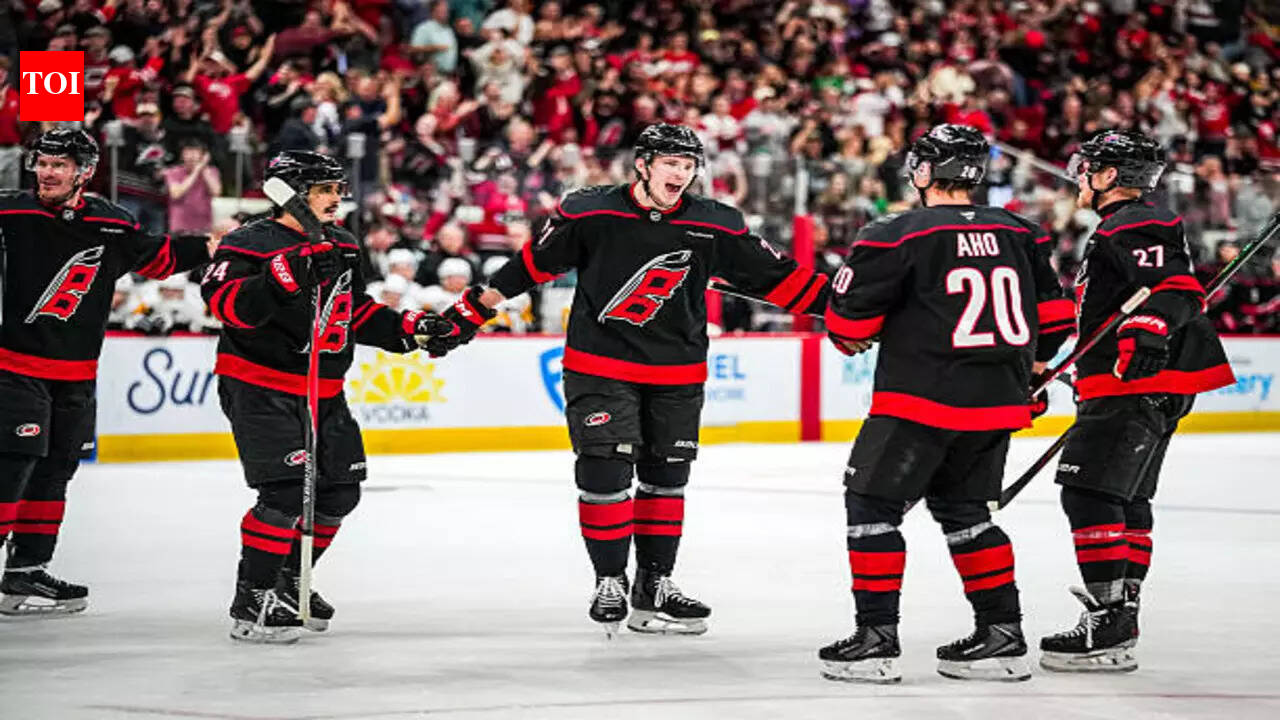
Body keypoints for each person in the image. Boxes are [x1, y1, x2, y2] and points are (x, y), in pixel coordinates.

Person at [433, 124, 830, 636]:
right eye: (670, 163)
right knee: (605, 471)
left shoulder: (718, 223)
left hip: (678, 371)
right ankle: (609, 581)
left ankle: (655, 585)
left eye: (688, 166)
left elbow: (785, 281)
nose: (681, 174)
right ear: (642, 164)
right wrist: (468, 314)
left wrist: (855, 314)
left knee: (667, 480)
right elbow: (528, 267)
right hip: (600, 365)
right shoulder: (590, 211)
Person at [816, 125, 1075, 683]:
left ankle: (877, 640)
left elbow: (849, 323)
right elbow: (1056, 321)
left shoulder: (894, 232)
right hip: (998, 403)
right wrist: (1033, 367)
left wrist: (852, 331)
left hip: (919, 398)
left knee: (871, 508)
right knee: (966, 514)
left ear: (927, 172)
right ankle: (1002, 634)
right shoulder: (1022, 231)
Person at [197, 151, 455, 644]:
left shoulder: (343, 243)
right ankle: (252, 596)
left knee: (340, 489)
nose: (338, 198)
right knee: (286, 492)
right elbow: (227, 307)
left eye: (338, 188)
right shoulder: (248, 242)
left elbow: (352, 311)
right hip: (261, 386)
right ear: (291, 193)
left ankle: (291, 577)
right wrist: (283, 274)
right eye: (325, 189)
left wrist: (411, 327)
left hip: (325, 391)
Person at [1039, 130, 1235, 672]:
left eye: (1088, 168)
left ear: (1109, 177)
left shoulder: (1134, 221)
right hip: (1145, 383)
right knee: (1125, 500)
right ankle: (1120, 611)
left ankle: (1110, 621)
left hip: (1135, 381)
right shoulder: (1119, 227)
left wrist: (1147, 328)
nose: (1080, 176)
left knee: (1087, 492)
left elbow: (1173, 286)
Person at [0, 129, 211, 615]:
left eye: (59, 165)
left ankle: (26, 572)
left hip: (75, 375)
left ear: (85, 172)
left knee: (56, 472)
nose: (46, 172)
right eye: (42, 163)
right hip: (15, 369)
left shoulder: (111, 224)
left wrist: (217, 245)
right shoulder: (10, 212)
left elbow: (160, 259)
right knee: (12, 466)